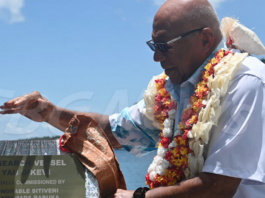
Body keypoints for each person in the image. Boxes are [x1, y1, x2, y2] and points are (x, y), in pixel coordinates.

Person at [1, 0, 265, 197]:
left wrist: (139, 196)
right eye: (153, 46)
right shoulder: (172, 89)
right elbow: (113, 132)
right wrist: (49, 112)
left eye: (164, 46)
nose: (156, 58)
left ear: (205, 38)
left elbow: (219, 187)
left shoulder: (246, 81)